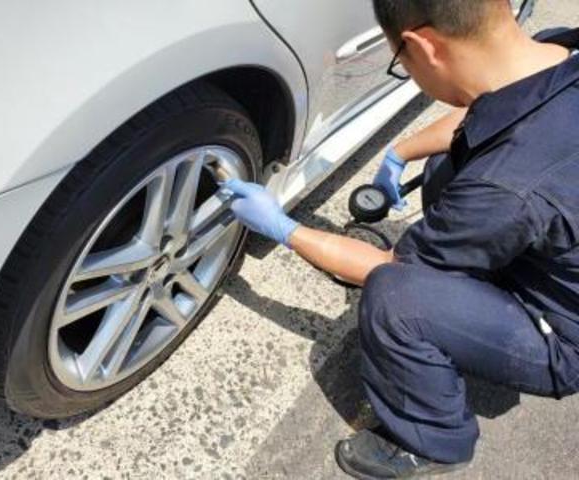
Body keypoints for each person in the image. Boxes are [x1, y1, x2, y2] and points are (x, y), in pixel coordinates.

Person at [223, 1, 579, 478]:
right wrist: (400, 151)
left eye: (400, 62)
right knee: (445, 169)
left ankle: (431, 440)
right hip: (551, 241)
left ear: (422, 47)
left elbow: (387, 267)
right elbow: (482, 115)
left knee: (396, 298)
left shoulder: (504, 186)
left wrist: (283, 228)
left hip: (561, 332)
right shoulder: (556, 52)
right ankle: (470, 278)